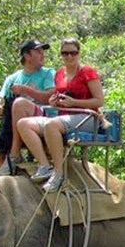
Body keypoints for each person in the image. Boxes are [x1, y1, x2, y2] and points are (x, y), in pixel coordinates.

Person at [18, 38, 104, 192]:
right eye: (65, 53)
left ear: (78, 53)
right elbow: (58, 97)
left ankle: (59, 173)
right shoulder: (58, 74)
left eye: (73, 53)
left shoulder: (87, 72)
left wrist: (74, 102)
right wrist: (53, 102)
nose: (69, 57)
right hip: (63, 117)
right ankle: (44, 165)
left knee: (52, 125)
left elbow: (99, 101)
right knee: (23, 124)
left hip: (87, 116)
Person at [0, 39, 55, 176]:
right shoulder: (12, 78)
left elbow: (50, 97)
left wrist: (26, 90)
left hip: (41, 119)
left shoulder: (48, 73)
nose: (43, 55)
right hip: (12, 124)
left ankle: (14, 154)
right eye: (38, 52)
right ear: (27, 56)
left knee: (19, 103)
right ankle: (7, 169)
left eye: (43, 52)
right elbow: (1, 101)